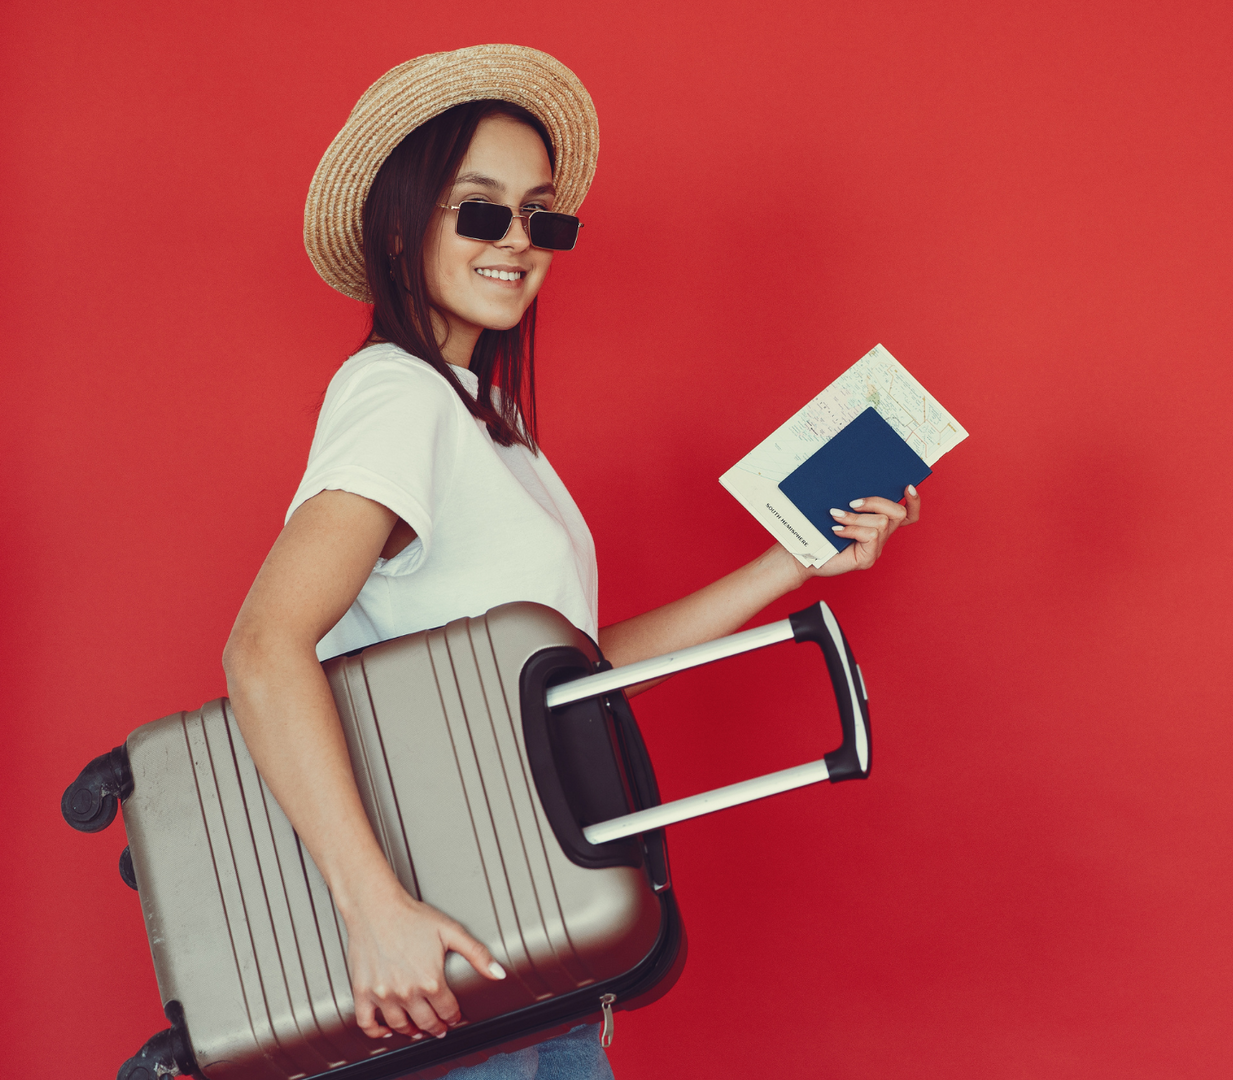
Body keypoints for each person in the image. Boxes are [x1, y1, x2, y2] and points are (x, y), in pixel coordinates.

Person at [221, 45, 917, 1078]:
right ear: (403, 225)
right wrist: (375, 913)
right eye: (481, 210)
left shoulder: (485, 420)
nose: (519, 242)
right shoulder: (396, 397)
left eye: (541, 216)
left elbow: (569, 669)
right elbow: (262, 647)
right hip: (441, 940)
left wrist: (789, 563)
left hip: (530, 924)